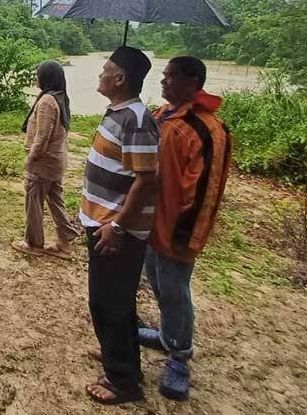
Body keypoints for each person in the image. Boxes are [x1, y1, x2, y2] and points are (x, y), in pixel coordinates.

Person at [141, 56, 231, 401]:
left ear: (192, 82)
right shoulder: (163, 116)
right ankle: (166, 336)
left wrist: (184, 237)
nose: (163, 82)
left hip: (178, 229)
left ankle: (180, 355)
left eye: (170, 77)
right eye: (162, 76)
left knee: (176, 290)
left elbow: (204, 191)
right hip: (151, 221)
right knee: (158, 283)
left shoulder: (206, 130)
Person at [80, 47, 159, 406]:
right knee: (117, 301)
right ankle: (121, 355)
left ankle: (123, 380)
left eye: (106, 68)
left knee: (107, 303)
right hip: (101, 222)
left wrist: (119, 227)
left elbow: (146, 181)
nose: (100, 73)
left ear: (120, 78)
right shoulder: (119, 112)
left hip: (114, 230)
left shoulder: (137, 120)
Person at [12, 60, 80, 259]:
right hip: (56, 161)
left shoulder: (47, 101)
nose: (36, 77)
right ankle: (65, 243)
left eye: (38, 74)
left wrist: (31, 159)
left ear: (46, 77)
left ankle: (34, 244)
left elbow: (42, 137)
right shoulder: (59, 98)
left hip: (44, 163)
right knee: (56, 200)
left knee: (33, 200)